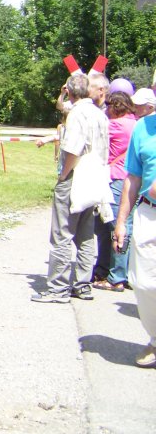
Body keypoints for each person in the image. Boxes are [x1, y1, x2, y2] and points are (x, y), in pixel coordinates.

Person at [32, 72, 108, 303]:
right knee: (85, 235)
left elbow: (73, 149)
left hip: (75, 178)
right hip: (95, 178)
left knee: (62, 235)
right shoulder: (99, 114)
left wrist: (63, 175)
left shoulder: (76, 114)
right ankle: (82, 285)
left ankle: (57, 288)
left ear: (71, 92)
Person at [113, 95, 156, 368]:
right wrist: (121, 222)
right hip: (148, 211)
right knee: (143, 283)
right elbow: (132, 177)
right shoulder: (143, 127)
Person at [93, 91, 136, 290]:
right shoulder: (133, 122)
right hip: (122, 178)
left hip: (116, 179)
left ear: (115, 106)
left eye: (108, 105)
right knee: (109, 226)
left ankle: (117, 276)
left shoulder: (117, 125)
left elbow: (94, 132)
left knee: (114, 226)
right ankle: (108, 270)